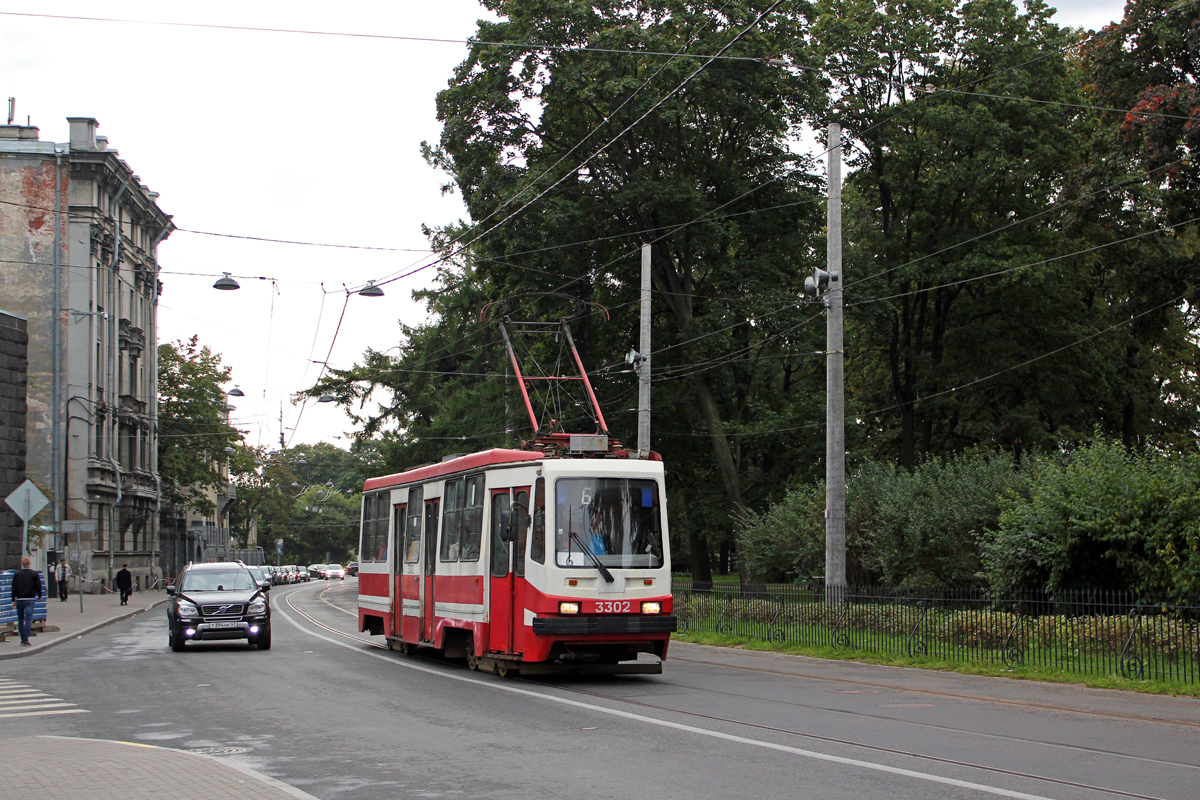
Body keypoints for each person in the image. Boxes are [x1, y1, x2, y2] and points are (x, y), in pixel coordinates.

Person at [10, 556, 44, 647]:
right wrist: (40, 596)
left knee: (20, 619)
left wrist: (13, 599)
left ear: (22, 564)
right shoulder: (34, 574)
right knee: (28, 619)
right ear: (29, 564)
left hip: (20, 599)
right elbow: (38, 586)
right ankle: (26, 639)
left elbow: (13, 587)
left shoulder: (17, 574)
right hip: (30, 599)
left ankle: (22, 639)